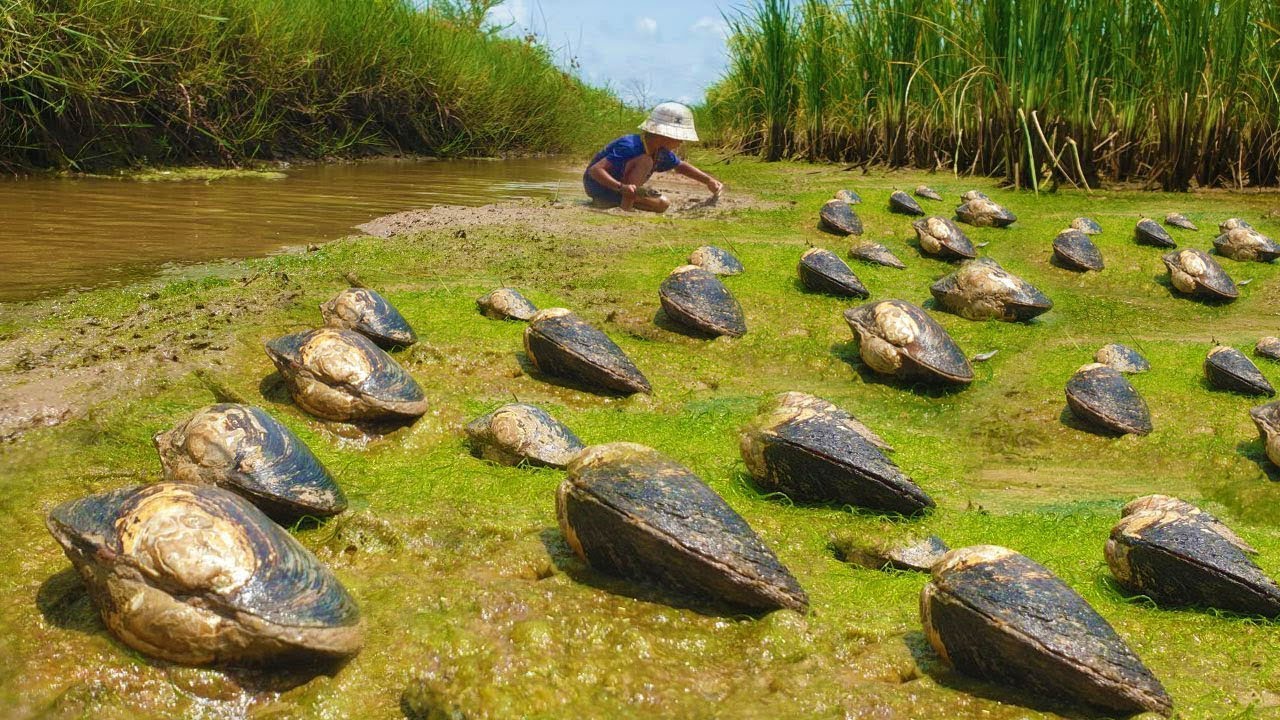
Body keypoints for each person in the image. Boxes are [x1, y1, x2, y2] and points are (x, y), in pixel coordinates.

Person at [583, 102, 724, 212]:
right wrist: (621, 187)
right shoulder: (630, 145)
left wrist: (708, 180)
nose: (681, 141)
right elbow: (595, 170)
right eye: (679, 137)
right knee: (645, 162)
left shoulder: (660, 151)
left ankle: (614, 203)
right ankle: (625, 208)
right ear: (664, 135)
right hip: (599, 186)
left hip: (621, 190)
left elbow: (680, 166)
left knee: (663, 204)